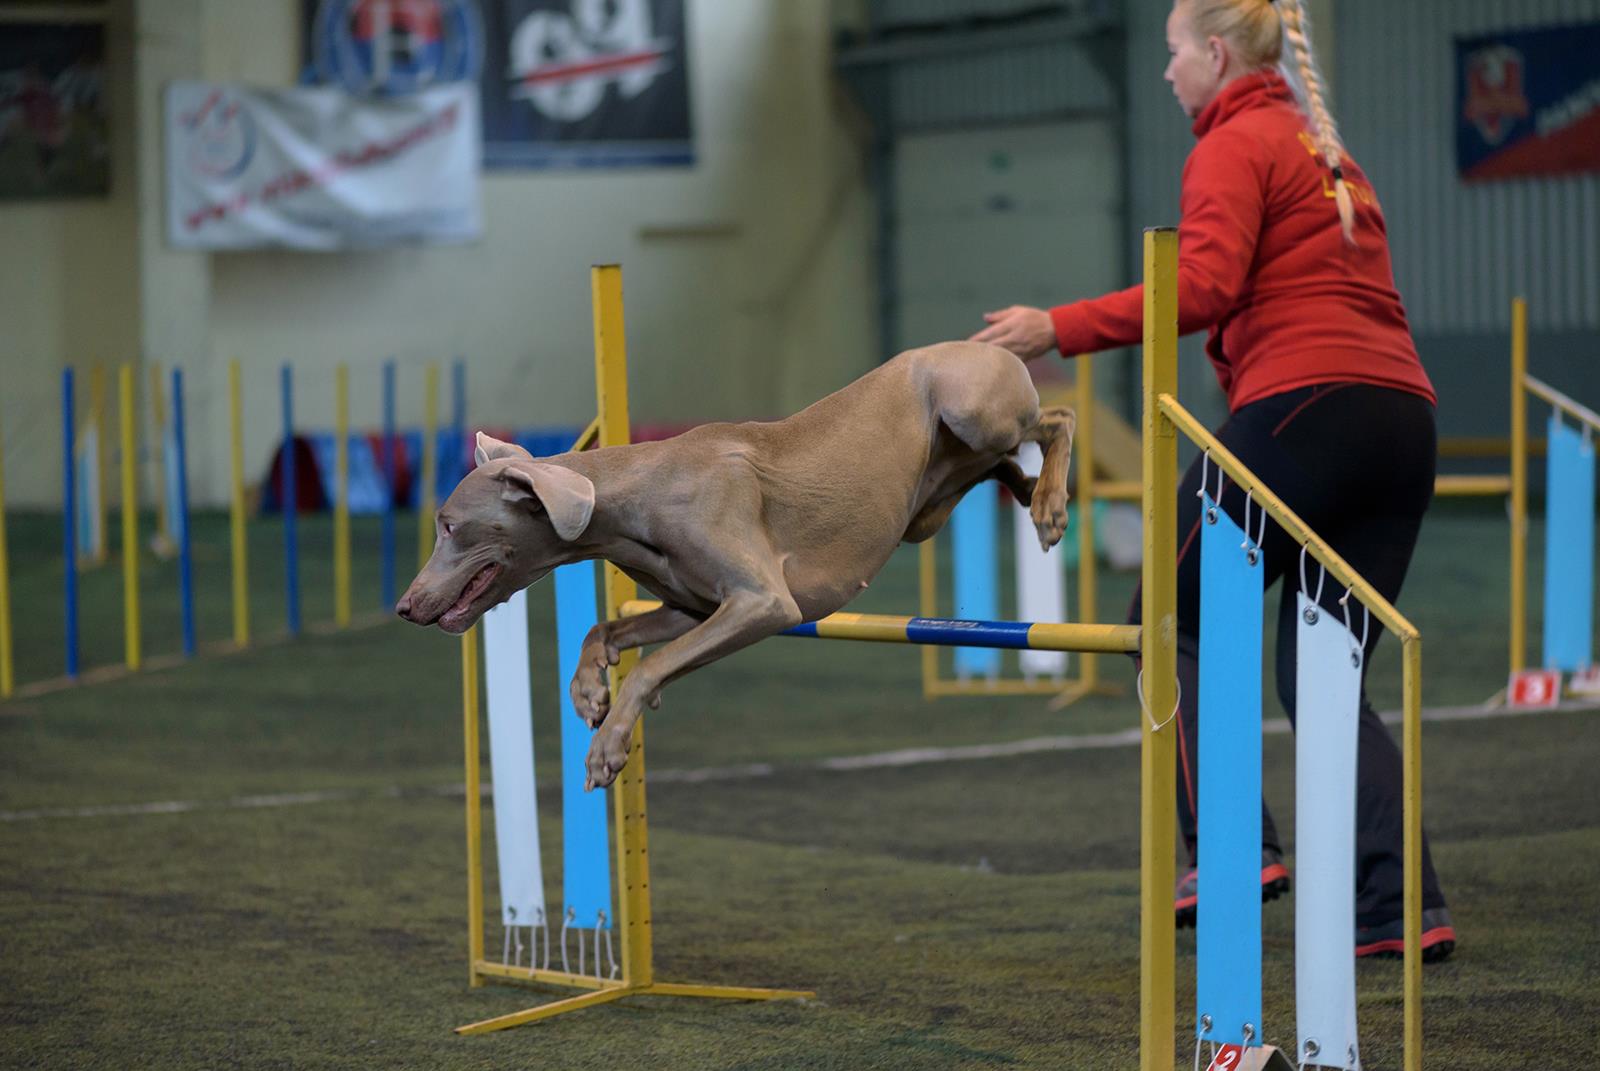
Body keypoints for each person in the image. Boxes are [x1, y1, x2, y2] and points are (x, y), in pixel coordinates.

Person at [969, 0, 1454, 961]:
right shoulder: (1326, 151)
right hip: (1405, 424)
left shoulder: (1236, 143)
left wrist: (1053, 327)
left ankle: (1229, 850)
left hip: (1307, 408)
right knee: (1322, 674)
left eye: (1174, 52)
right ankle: (1399, 910)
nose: (1167, 72)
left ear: (1218, 54)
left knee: (1167, 621)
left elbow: (1203, 286)